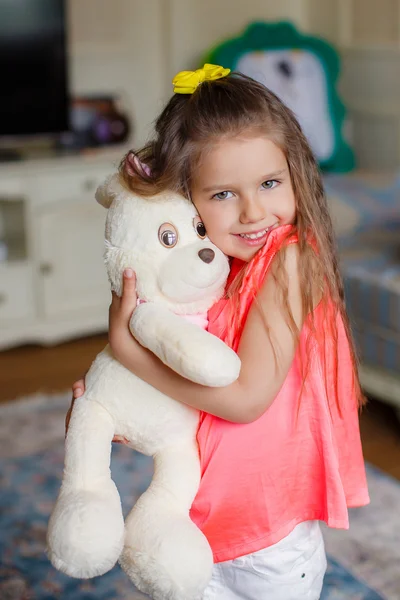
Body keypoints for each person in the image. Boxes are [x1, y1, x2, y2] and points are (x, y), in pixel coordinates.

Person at [69, 64, 369, 599]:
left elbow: (246, 400)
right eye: (224, 194)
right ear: (186, 199)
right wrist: (119, 407)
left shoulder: (288, 261)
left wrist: (130, 353)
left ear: (295, 174)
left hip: (269, 538)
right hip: (200, 521)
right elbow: (185, 390)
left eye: (270, 184)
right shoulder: (208, 269)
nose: (254, 212)